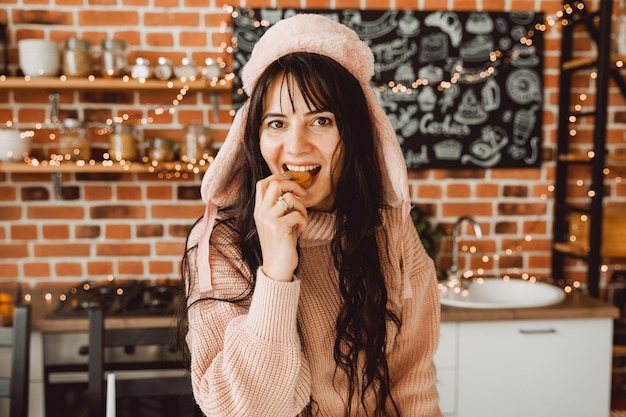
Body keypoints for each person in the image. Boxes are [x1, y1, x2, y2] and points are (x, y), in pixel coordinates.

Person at [179, 13, 442, 417]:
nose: (295, 146)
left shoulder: (390, 231)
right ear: (256, 137)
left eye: (320, 120)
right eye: (277, 123)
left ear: (353, 133)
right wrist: (277, 270)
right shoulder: (221, 240)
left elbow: (413, 385)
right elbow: (242, 410)